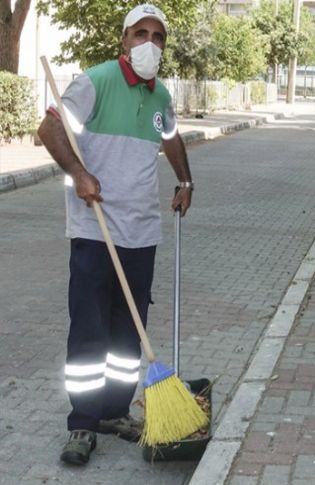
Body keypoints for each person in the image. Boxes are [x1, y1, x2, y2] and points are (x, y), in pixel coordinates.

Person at [37, 4, 194, 466]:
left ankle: (114, 412)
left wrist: (185, 182)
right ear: (124, 40)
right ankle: (83, 422)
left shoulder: (161, 94)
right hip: (94, 227)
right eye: (140, 33)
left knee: (128, 333)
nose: (149, 42)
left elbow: (171, 139)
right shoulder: (96, 81)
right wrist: (79, 173)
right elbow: (50, 128)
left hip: (141, 231)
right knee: (90, 329)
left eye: (158, 36)